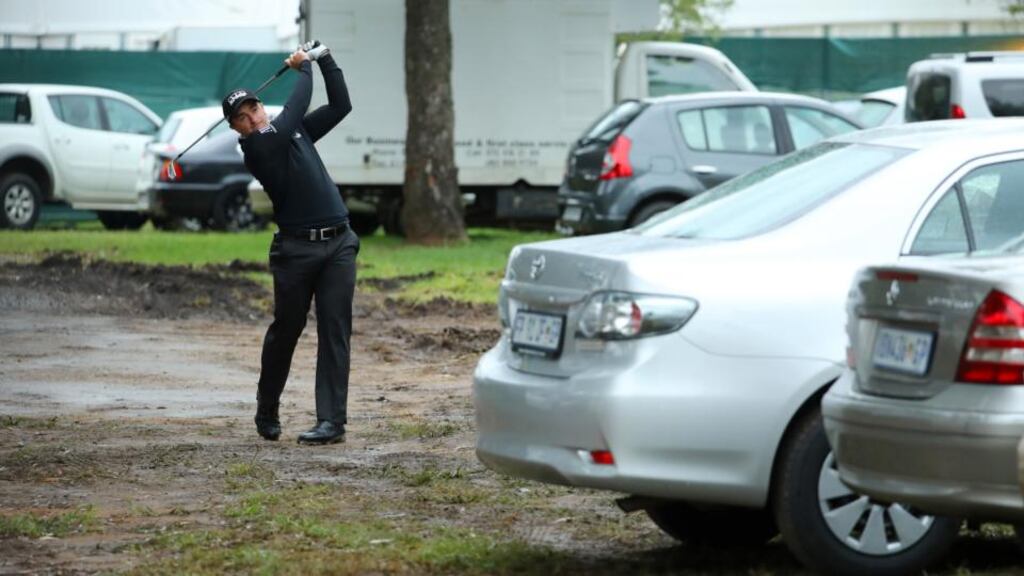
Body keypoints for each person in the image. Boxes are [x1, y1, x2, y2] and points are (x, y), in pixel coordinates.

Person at [223, 42, 356, 445]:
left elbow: (340, 106)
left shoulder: (292, 131)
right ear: (236, 129)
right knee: (288, 329)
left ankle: (332, 422)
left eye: (254, 109)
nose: (252, 118)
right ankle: (267, 405)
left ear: (262, 106)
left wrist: (326, 59)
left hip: (338, 243)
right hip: (295, 252)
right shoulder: (259, 147)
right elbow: (294, 109)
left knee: (335, 330)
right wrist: (303, 68)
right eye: (242, 118)